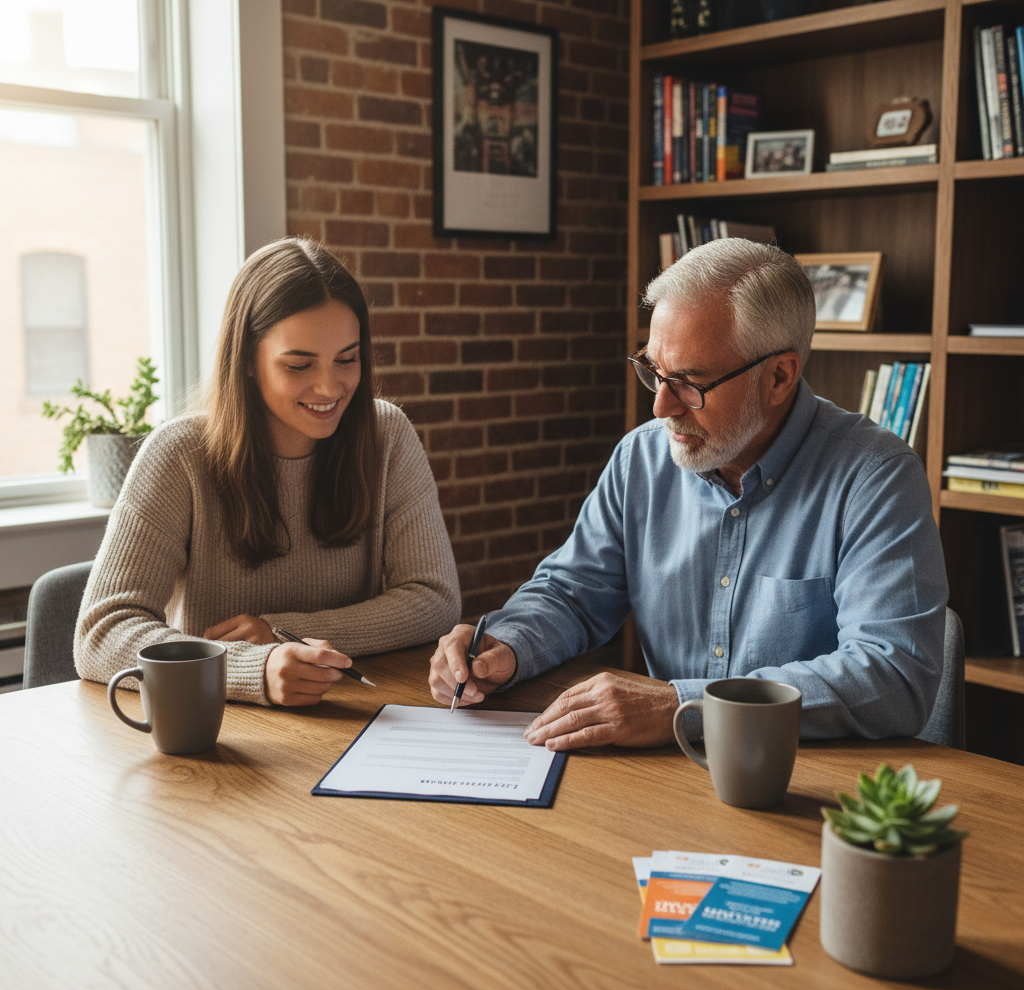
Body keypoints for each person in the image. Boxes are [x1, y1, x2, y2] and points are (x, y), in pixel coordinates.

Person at [428, 238, 948, 750]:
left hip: (810, 788)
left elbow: (892, 674)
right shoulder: (641, 460)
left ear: (779, 376)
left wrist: (685, 707)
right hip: (668, 778)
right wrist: (507, 645)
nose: (660, 408)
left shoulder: (876, 478)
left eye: (689, 382)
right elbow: (572, 594)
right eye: (653, 372)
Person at [77, 237, 460, 706]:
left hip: (348, 711)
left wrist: (283, 634)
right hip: (219, 732)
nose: (329, 387)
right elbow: (101, 632)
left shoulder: (388, 435)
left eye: (348, 358)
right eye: (299, 364)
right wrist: (246, 665)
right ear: (248, 361)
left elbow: (434, 600)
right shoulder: (177, 455)